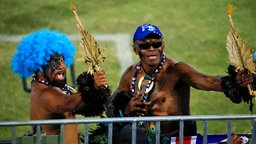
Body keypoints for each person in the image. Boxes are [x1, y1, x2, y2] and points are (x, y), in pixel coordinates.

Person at [105, 23, 253, 144]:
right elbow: (111, 107)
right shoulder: (130, 75)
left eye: (156, 43)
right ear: (136, 50)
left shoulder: (177, 70)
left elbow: (209, 81)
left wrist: (234, 82)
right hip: (146, 140)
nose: (152, 49)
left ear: (162, 45)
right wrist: (126, 110)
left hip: (179, 139)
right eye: (144, 45)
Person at [11, 29, 110, 144]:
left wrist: (98, 93)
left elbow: (80, 106)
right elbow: (69, 103)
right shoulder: (44, 94)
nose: (61, 66)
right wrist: (92, 86)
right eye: (54, 62)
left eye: (62, 60)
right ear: (39, 65)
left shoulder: (58, 89)